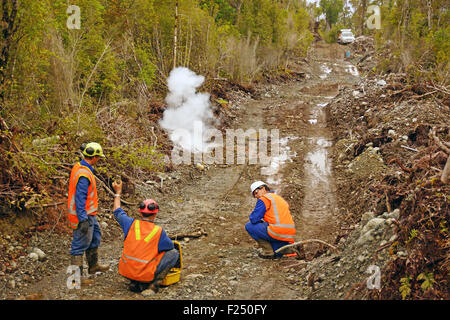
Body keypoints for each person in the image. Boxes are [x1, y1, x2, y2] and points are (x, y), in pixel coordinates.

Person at [111, 180, 179, 295]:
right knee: (173, 253)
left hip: (126, 271)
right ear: (155, 214)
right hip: (145, 273)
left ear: (140, 212)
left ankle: (134, 281)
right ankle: (153, 285)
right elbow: (169, 247)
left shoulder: (130, 223)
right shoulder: (159, 231)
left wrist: (118, 192)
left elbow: (117, 211)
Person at [68, 142, 109, 275]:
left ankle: (93, 266)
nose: (99, 160)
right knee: (79, 245)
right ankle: (75, 280)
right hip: (84, 214)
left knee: (95, 236)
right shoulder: (84, 175)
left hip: (90, 213)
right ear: (95, 157)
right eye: (99, 157)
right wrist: (83, 219)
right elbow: (80, 198)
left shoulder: (81, 167)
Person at [245, 181, 296, 259]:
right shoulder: (278, 198)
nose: (256, 196)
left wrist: (260, 221)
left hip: (277, 231)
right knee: (277, 253)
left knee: (249, 226)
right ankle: (288, 249)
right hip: (289, 234)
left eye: (256, 192)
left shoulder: (265, 198)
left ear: (263, 188)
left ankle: (268, 252)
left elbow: (254, 219)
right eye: (254, 195)